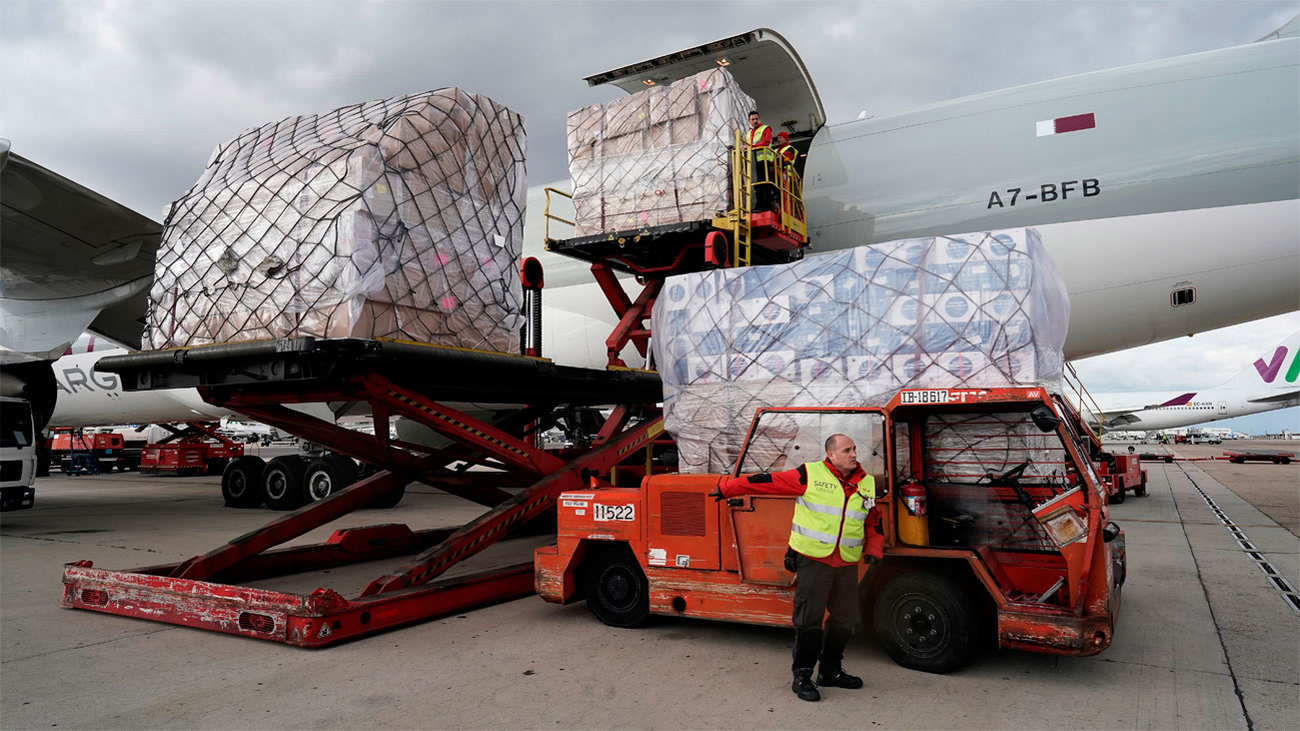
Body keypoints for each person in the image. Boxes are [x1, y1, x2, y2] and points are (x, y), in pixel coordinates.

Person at [712, 434, 885, 702]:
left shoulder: (866, 483)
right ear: (831, 455)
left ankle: (830, 671)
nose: (854, 454)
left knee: (846, 619)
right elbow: (767, 481)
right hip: (814, 560)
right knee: (809, 619)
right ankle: (803, 675)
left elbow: (873, 520)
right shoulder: (809, 474)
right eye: (847, 450)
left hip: (846, 562)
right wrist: (728, 489)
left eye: (854, 449)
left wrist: (874, 548)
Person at [745, 110, 775, 211]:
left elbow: (766, 142)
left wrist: (750, 147)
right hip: (753, 161)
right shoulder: (749, 133)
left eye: (756, 119)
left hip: (763, 159)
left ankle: (767, 203)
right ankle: (760, 204)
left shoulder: (765, 128)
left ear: (760, 119)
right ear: (749, 121)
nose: (755, 121)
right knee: (756, 184)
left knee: (764, 182)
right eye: (752, 119)